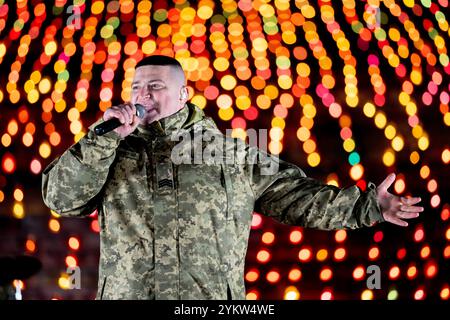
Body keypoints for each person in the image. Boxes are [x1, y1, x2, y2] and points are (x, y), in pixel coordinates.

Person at [42, 55, 424, 300]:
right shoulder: (107, 150)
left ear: (183, 94)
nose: (143, 95)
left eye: (155, 87)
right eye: (137, 87)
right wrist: (100, 140)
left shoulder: (231, 154)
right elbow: (61, 199)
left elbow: (298, 198)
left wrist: (368, 205)